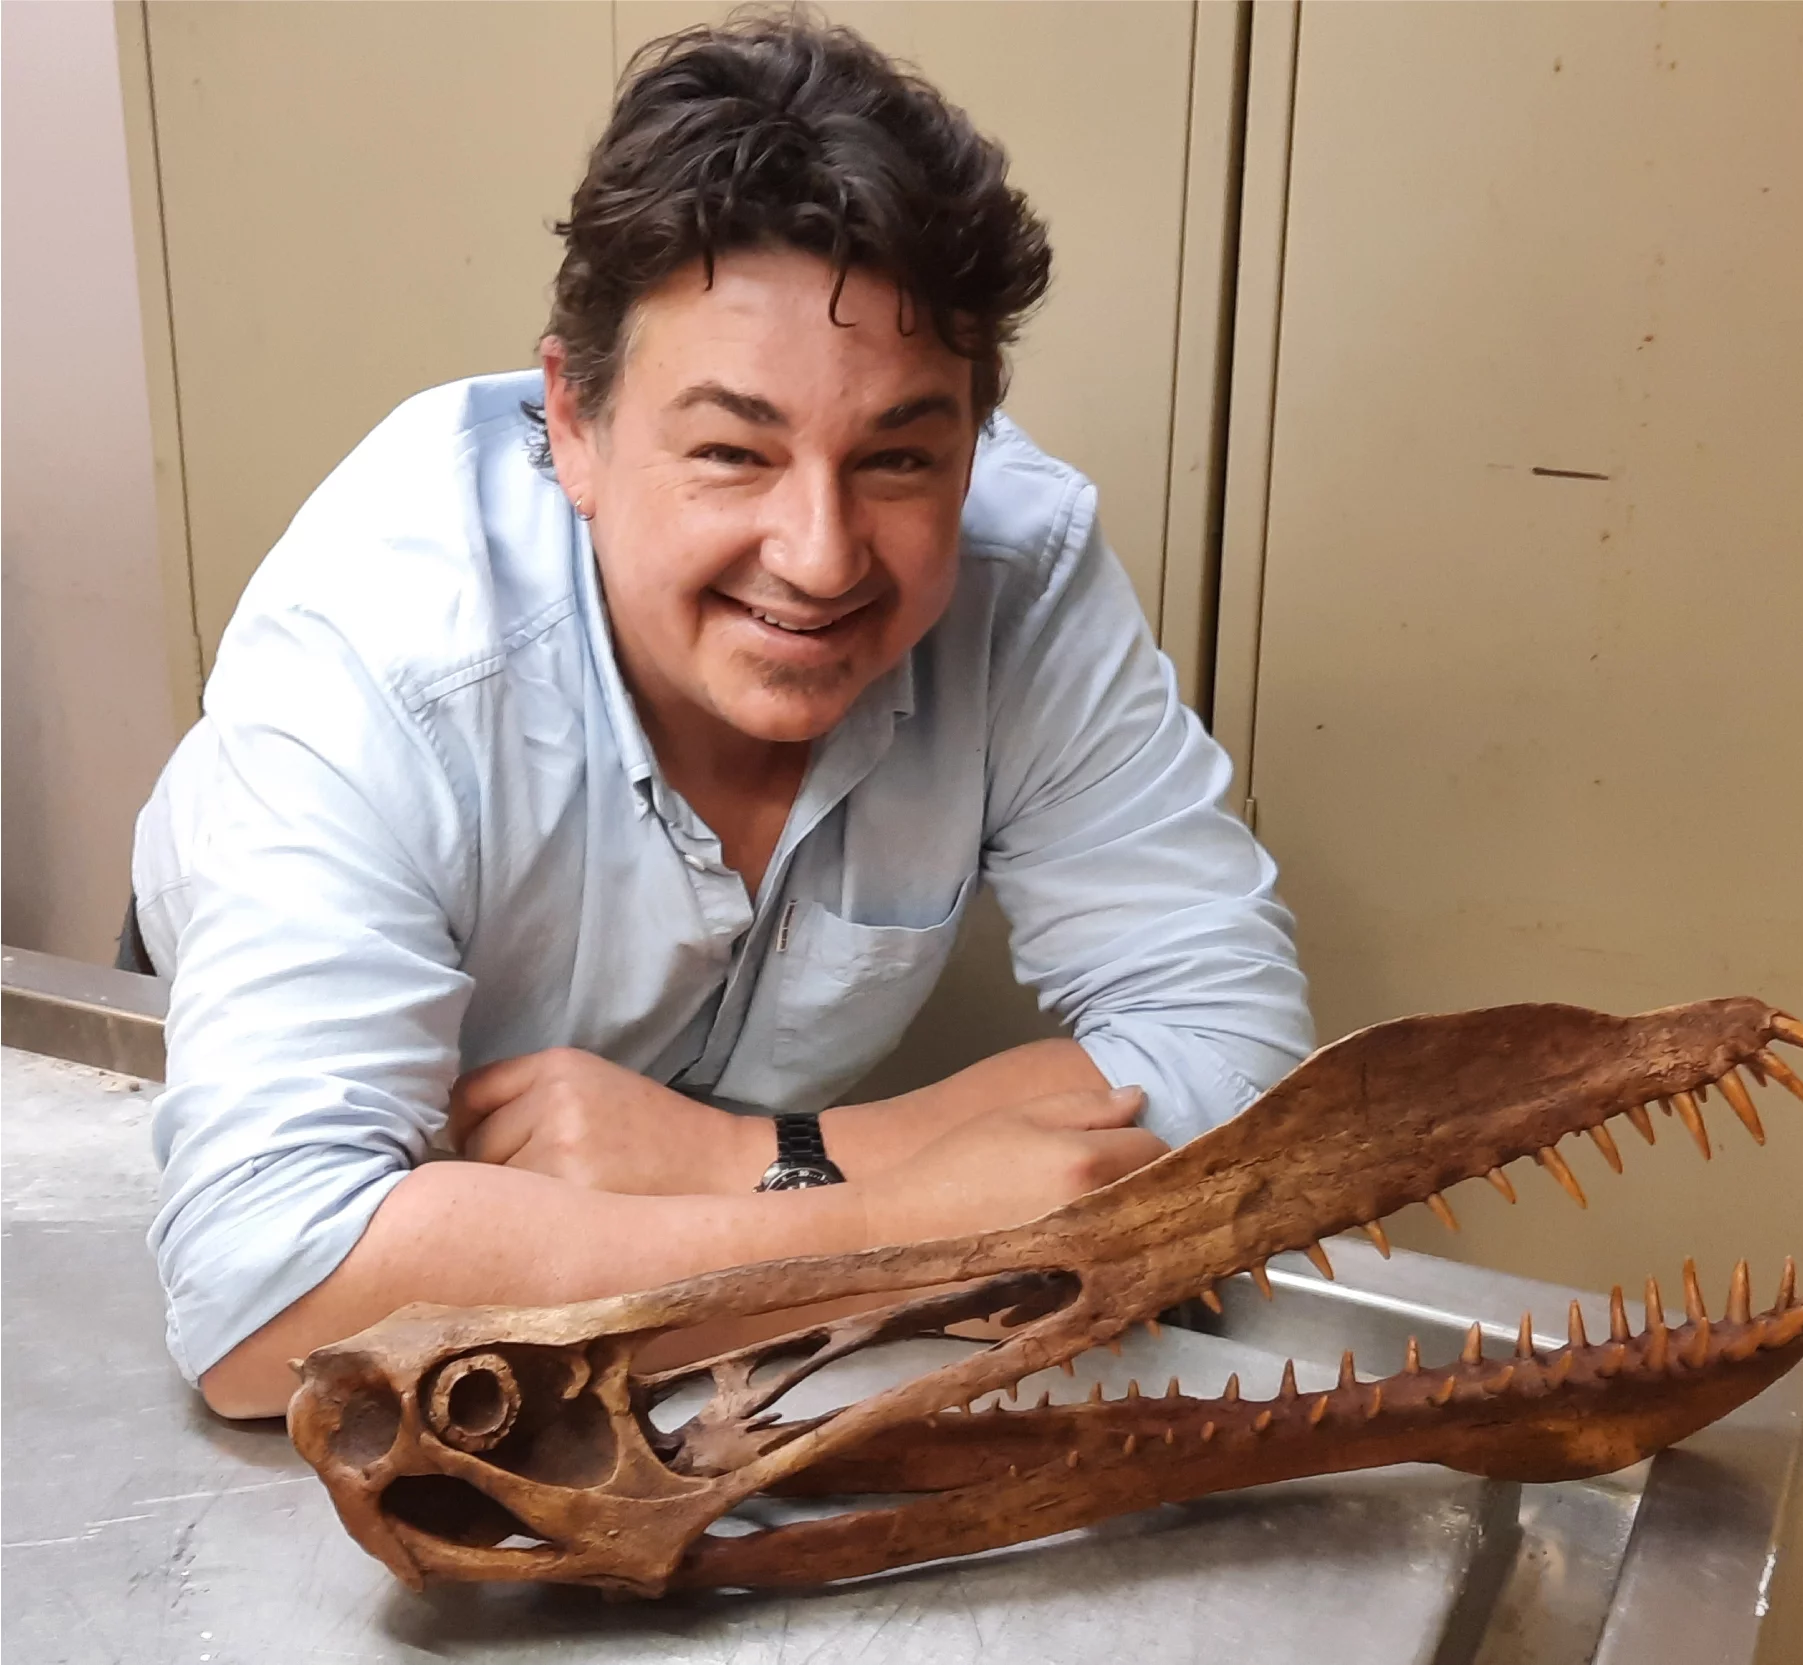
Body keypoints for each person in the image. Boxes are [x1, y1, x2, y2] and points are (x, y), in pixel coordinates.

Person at [129, 16, 1314, 1421]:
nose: (819, 556)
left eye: (898, 457)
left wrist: (737, 1156)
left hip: (646, 1220)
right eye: (731, 452)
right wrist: (895, 1218)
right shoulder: (387, 641)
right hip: (297, 1075)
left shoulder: (1026, 574)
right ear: (572, 421)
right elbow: (269, 1300)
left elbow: (1241, 1070)